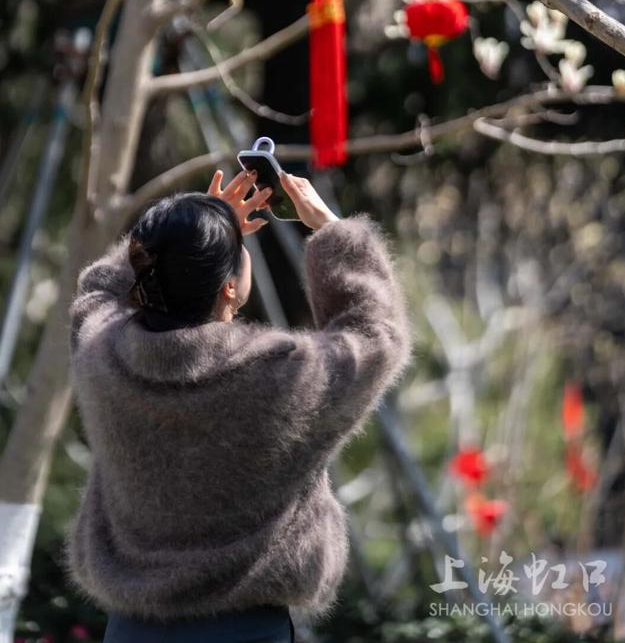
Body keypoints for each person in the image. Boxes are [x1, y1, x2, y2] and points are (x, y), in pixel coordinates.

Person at [63, 168, 414, 642]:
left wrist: (186, 231)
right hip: (249, 630)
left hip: (130, 630)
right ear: (229, 287)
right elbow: (376, 336)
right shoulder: (279, 375)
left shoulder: (102, 353)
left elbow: (97, 290)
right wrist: (332, 231)